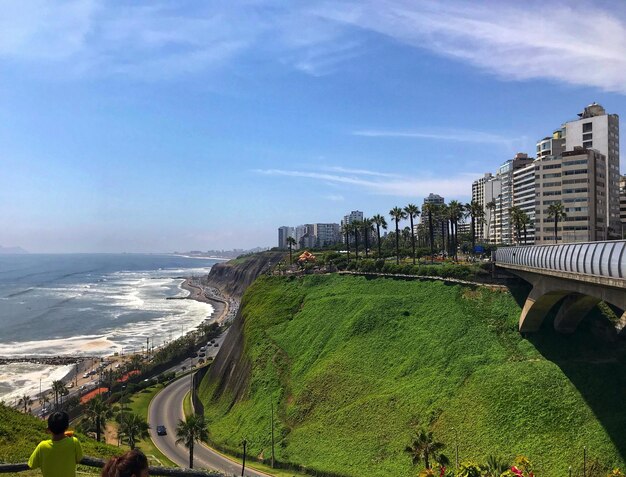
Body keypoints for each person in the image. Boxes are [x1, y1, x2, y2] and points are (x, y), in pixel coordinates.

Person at [28, 411, 83, 477]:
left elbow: (31, 465)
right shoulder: (74, 442)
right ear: (67, 427)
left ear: (49, 428)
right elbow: (78, 460)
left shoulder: (42, 446)